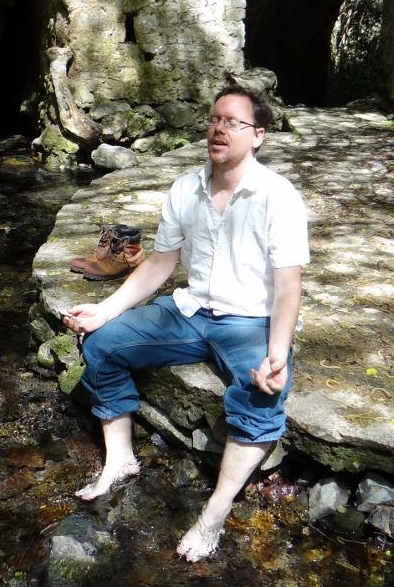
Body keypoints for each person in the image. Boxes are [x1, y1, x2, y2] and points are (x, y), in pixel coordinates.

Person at [62, 85, 310, 562]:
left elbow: (287, 287)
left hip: (251, 321)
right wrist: (105, 310)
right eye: (214, 119)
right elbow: (160, 263)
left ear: (257, 135)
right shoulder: (185, 189)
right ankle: (120, 459)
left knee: (261, 391)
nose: (219, 129)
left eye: (232, 122)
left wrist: (277, 352)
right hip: (190, 311)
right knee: (102, 344)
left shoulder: (278, 197)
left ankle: (215, 512)